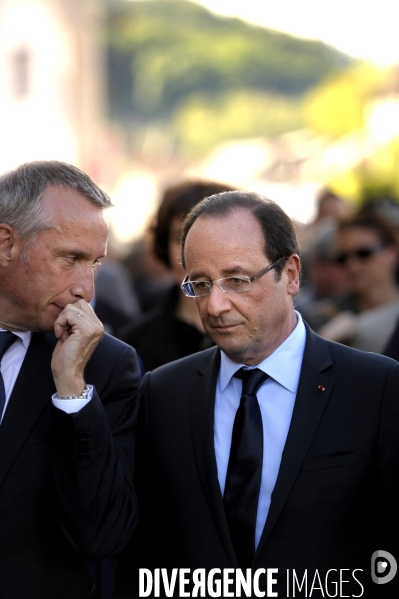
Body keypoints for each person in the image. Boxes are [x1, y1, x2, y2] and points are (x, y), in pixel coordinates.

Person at [114, 191, 399, 598]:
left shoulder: (376, 388)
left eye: (237, 280)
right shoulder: (162, 394)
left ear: (292, 275)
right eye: (200, 283)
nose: (215, 305)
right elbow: (140, 550)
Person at [0, 161, 139, 599]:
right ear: (6, 243)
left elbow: (101, 535)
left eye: (95, 263)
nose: (86, 288)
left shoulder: (105, 365)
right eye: (70, 259)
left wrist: (73, 392)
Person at [120, 181, 233, 372]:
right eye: (179, 238)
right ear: (163, 244)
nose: (191, 252)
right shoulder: (133, 343)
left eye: (208, 238)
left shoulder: (268, 330)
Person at [318, 213, 399, 353]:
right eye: (342, 258)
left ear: (392, 253)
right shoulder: (326, 314)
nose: (352, 266)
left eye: (364, 253)